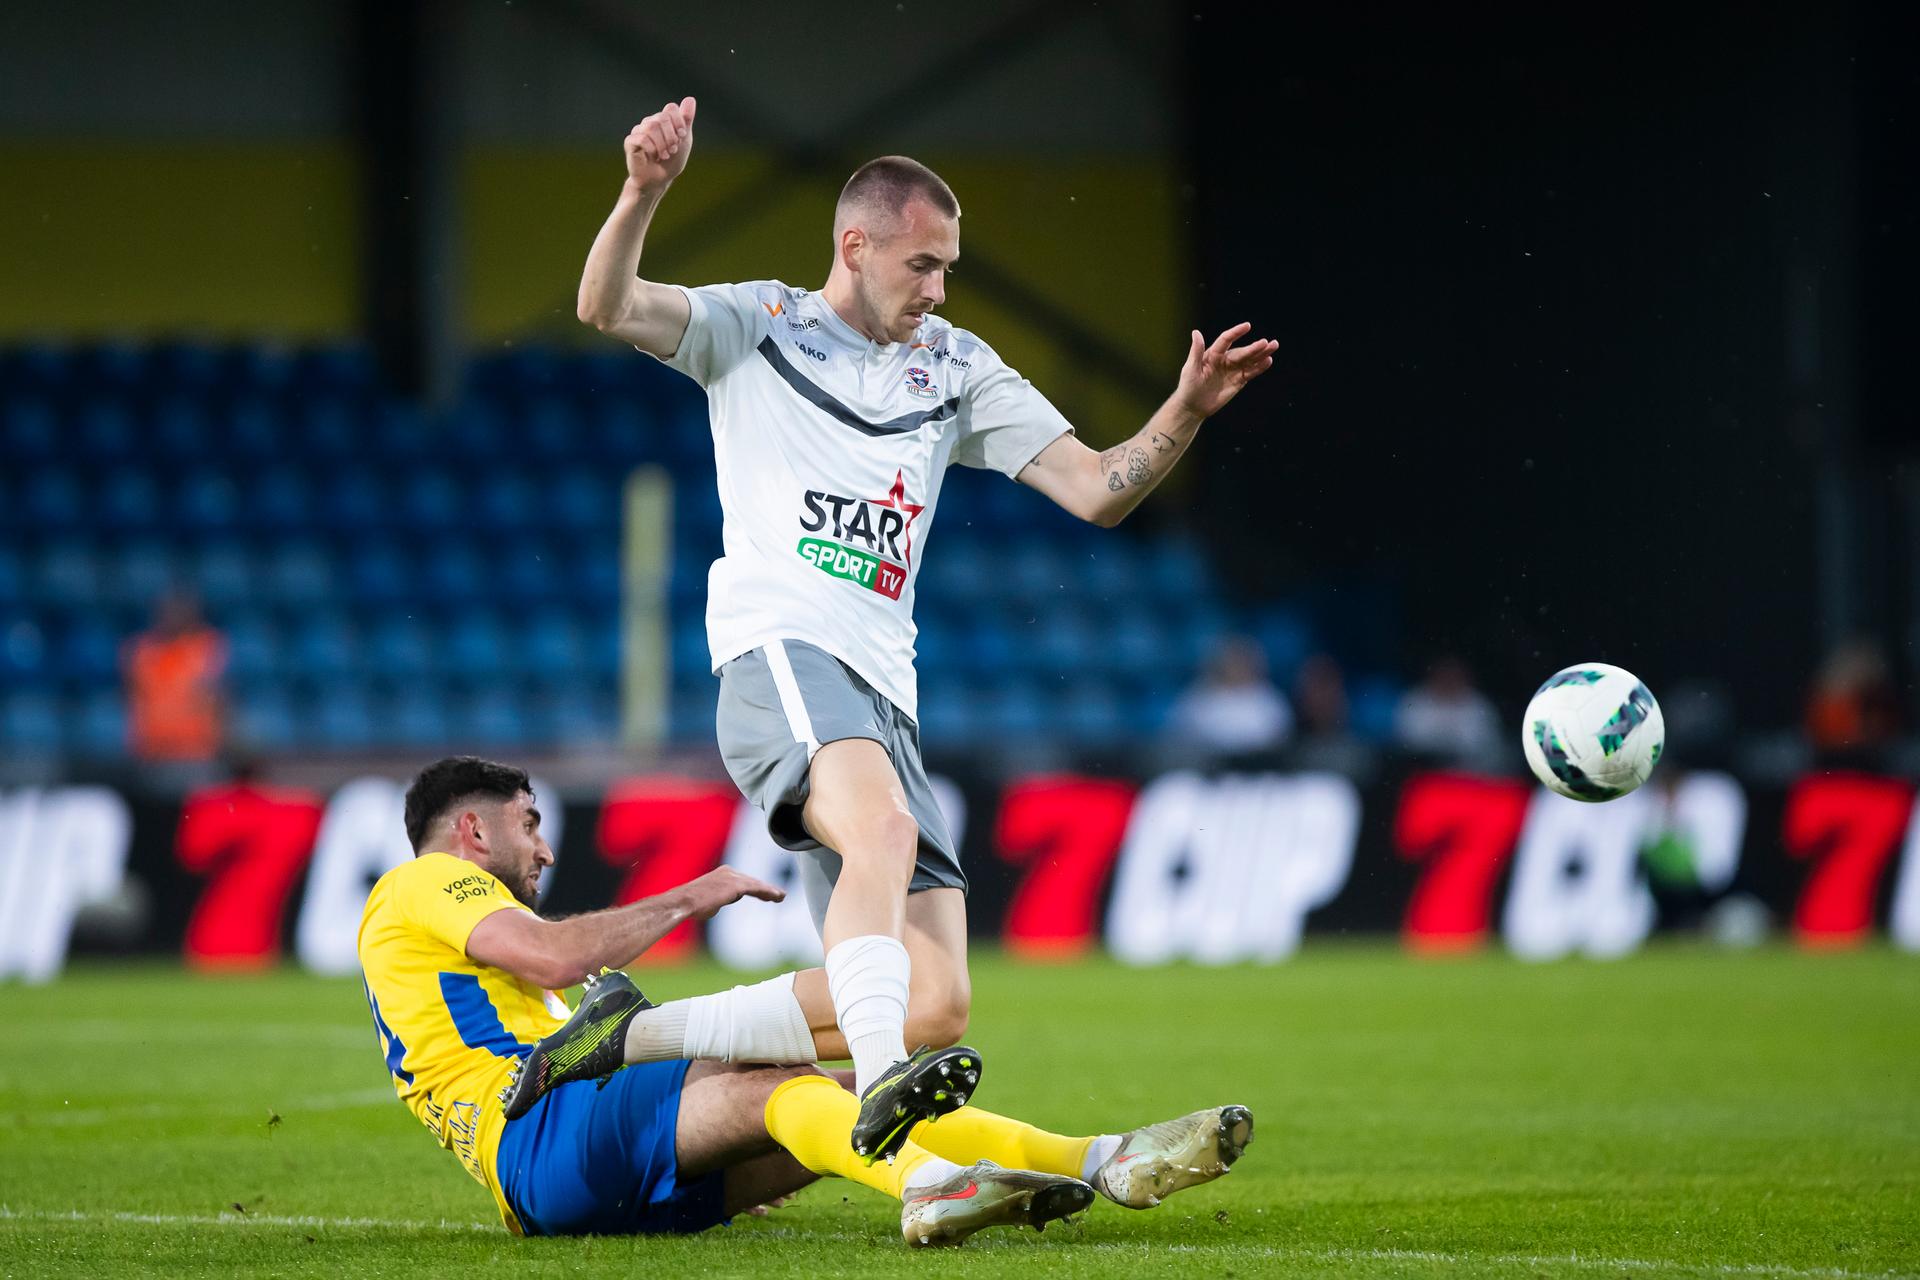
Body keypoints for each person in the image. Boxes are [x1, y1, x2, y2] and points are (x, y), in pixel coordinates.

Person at [572, 97, 1276, 1155]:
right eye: (923, 264)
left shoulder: (955, 367)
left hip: (884, 691)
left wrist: (1182, 410)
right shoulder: (755, 325)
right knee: (886, 845)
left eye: (948, 266)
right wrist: (643, 192)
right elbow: (604, 304)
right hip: (784, 652)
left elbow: (1095, 489)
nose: (939, 287)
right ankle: (880, 1080)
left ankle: (632, 1032)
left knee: (938, 999)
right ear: (854, 246)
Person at [357, 757, 1253, 1244]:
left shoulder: (466, 951)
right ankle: (935, 1187)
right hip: (536, 1131)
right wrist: (686, 896)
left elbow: (569, 998)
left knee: (810, 1097)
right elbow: (552, 957)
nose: (545, 851)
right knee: (775, 1088)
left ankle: (1100, 1159)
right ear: (471, 830)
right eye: (528, 824)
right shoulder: (425, 881)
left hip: (568, 1155)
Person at [122, 589, 226, 762]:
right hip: (151, 750)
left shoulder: (208, 646)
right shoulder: (140, 650)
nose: (172, 616)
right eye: (167, 611)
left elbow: (218, 696)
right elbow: (132, 697)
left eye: (179, 611)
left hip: (197, 749)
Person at [1169, 635, 1293, 756]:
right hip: (1207, 771)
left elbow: (1279, 744)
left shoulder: (1271, 700)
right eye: (1232, 659)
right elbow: (1183, 743)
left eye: (1242, 660)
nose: (1236, 665)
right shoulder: (1195, 700)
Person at [1393, 655, 1501, 765]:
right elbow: (1407, 741)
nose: (1449, 679)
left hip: (1467, 770)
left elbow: (1485, 745)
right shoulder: (1415, 699)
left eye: (1454, 675)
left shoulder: (1480, 705)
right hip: (1421, 768)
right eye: (1444, 674)